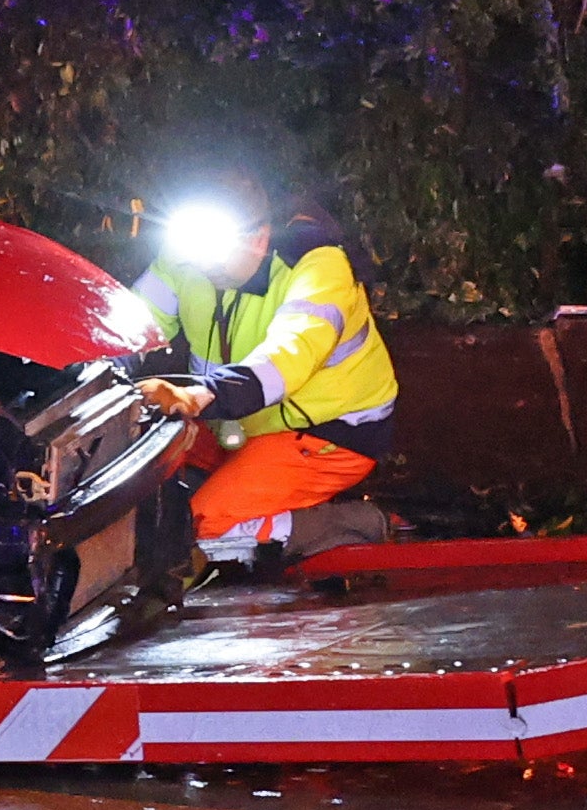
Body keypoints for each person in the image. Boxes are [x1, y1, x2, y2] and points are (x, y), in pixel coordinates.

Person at [132, 190, 400, 563]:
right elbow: (133, 322)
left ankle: (347, 525)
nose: (203, 264)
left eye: (219, 248)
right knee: (137, 503)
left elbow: (288, 357)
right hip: (234, 420)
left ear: (259, 238)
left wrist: (200, 395)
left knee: (191, 532)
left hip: (326, 434)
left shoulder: (317, 265)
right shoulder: (185, 255)